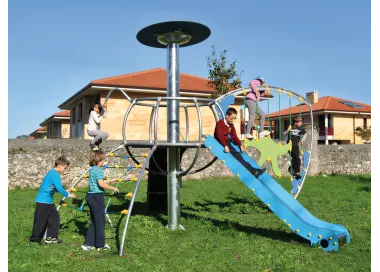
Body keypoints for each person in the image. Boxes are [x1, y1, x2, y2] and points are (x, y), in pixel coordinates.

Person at [29, 156, 76, 245]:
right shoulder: (55, 174)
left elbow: (55, 187)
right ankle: (34, 240)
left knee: (55, 218)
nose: (64, 170)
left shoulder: (53, 173)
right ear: (59, 166)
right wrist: (69, 195)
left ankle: (51, 237)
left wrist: (65, 191)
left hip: (48, 201)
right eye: (64, 168)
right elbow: (58, 187)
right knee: (41, 220)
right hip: (43, 201)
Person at [82, 150, 120, 251]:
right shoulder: (99, 170)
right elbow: (101, 184)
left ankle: (88, 244)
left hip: (90, 196)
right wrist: (113, 188)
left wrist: (111, 180)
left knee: (94, 221)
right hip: (97, 197)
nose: (104, 162)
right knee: (100, 222)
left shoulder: (92, 169)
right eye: (103, 160)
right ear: (99, 160)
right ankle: (100, 244)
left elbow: (100, 181)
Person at [214, 107, 266, 178]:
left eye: (234, 118)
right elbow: (219, 136)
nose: (233, 120)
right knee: (237, 157)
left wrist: (240, 145)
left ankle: (253, 170)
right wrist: (225, 145)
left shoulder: (231, 125)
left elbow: (234, 136)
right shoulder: (219, 123)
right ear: (227, 116)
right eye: (232, 118)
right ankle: (252, 171)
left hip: (227, 142)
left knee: (238, 156)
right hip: (220, 143)